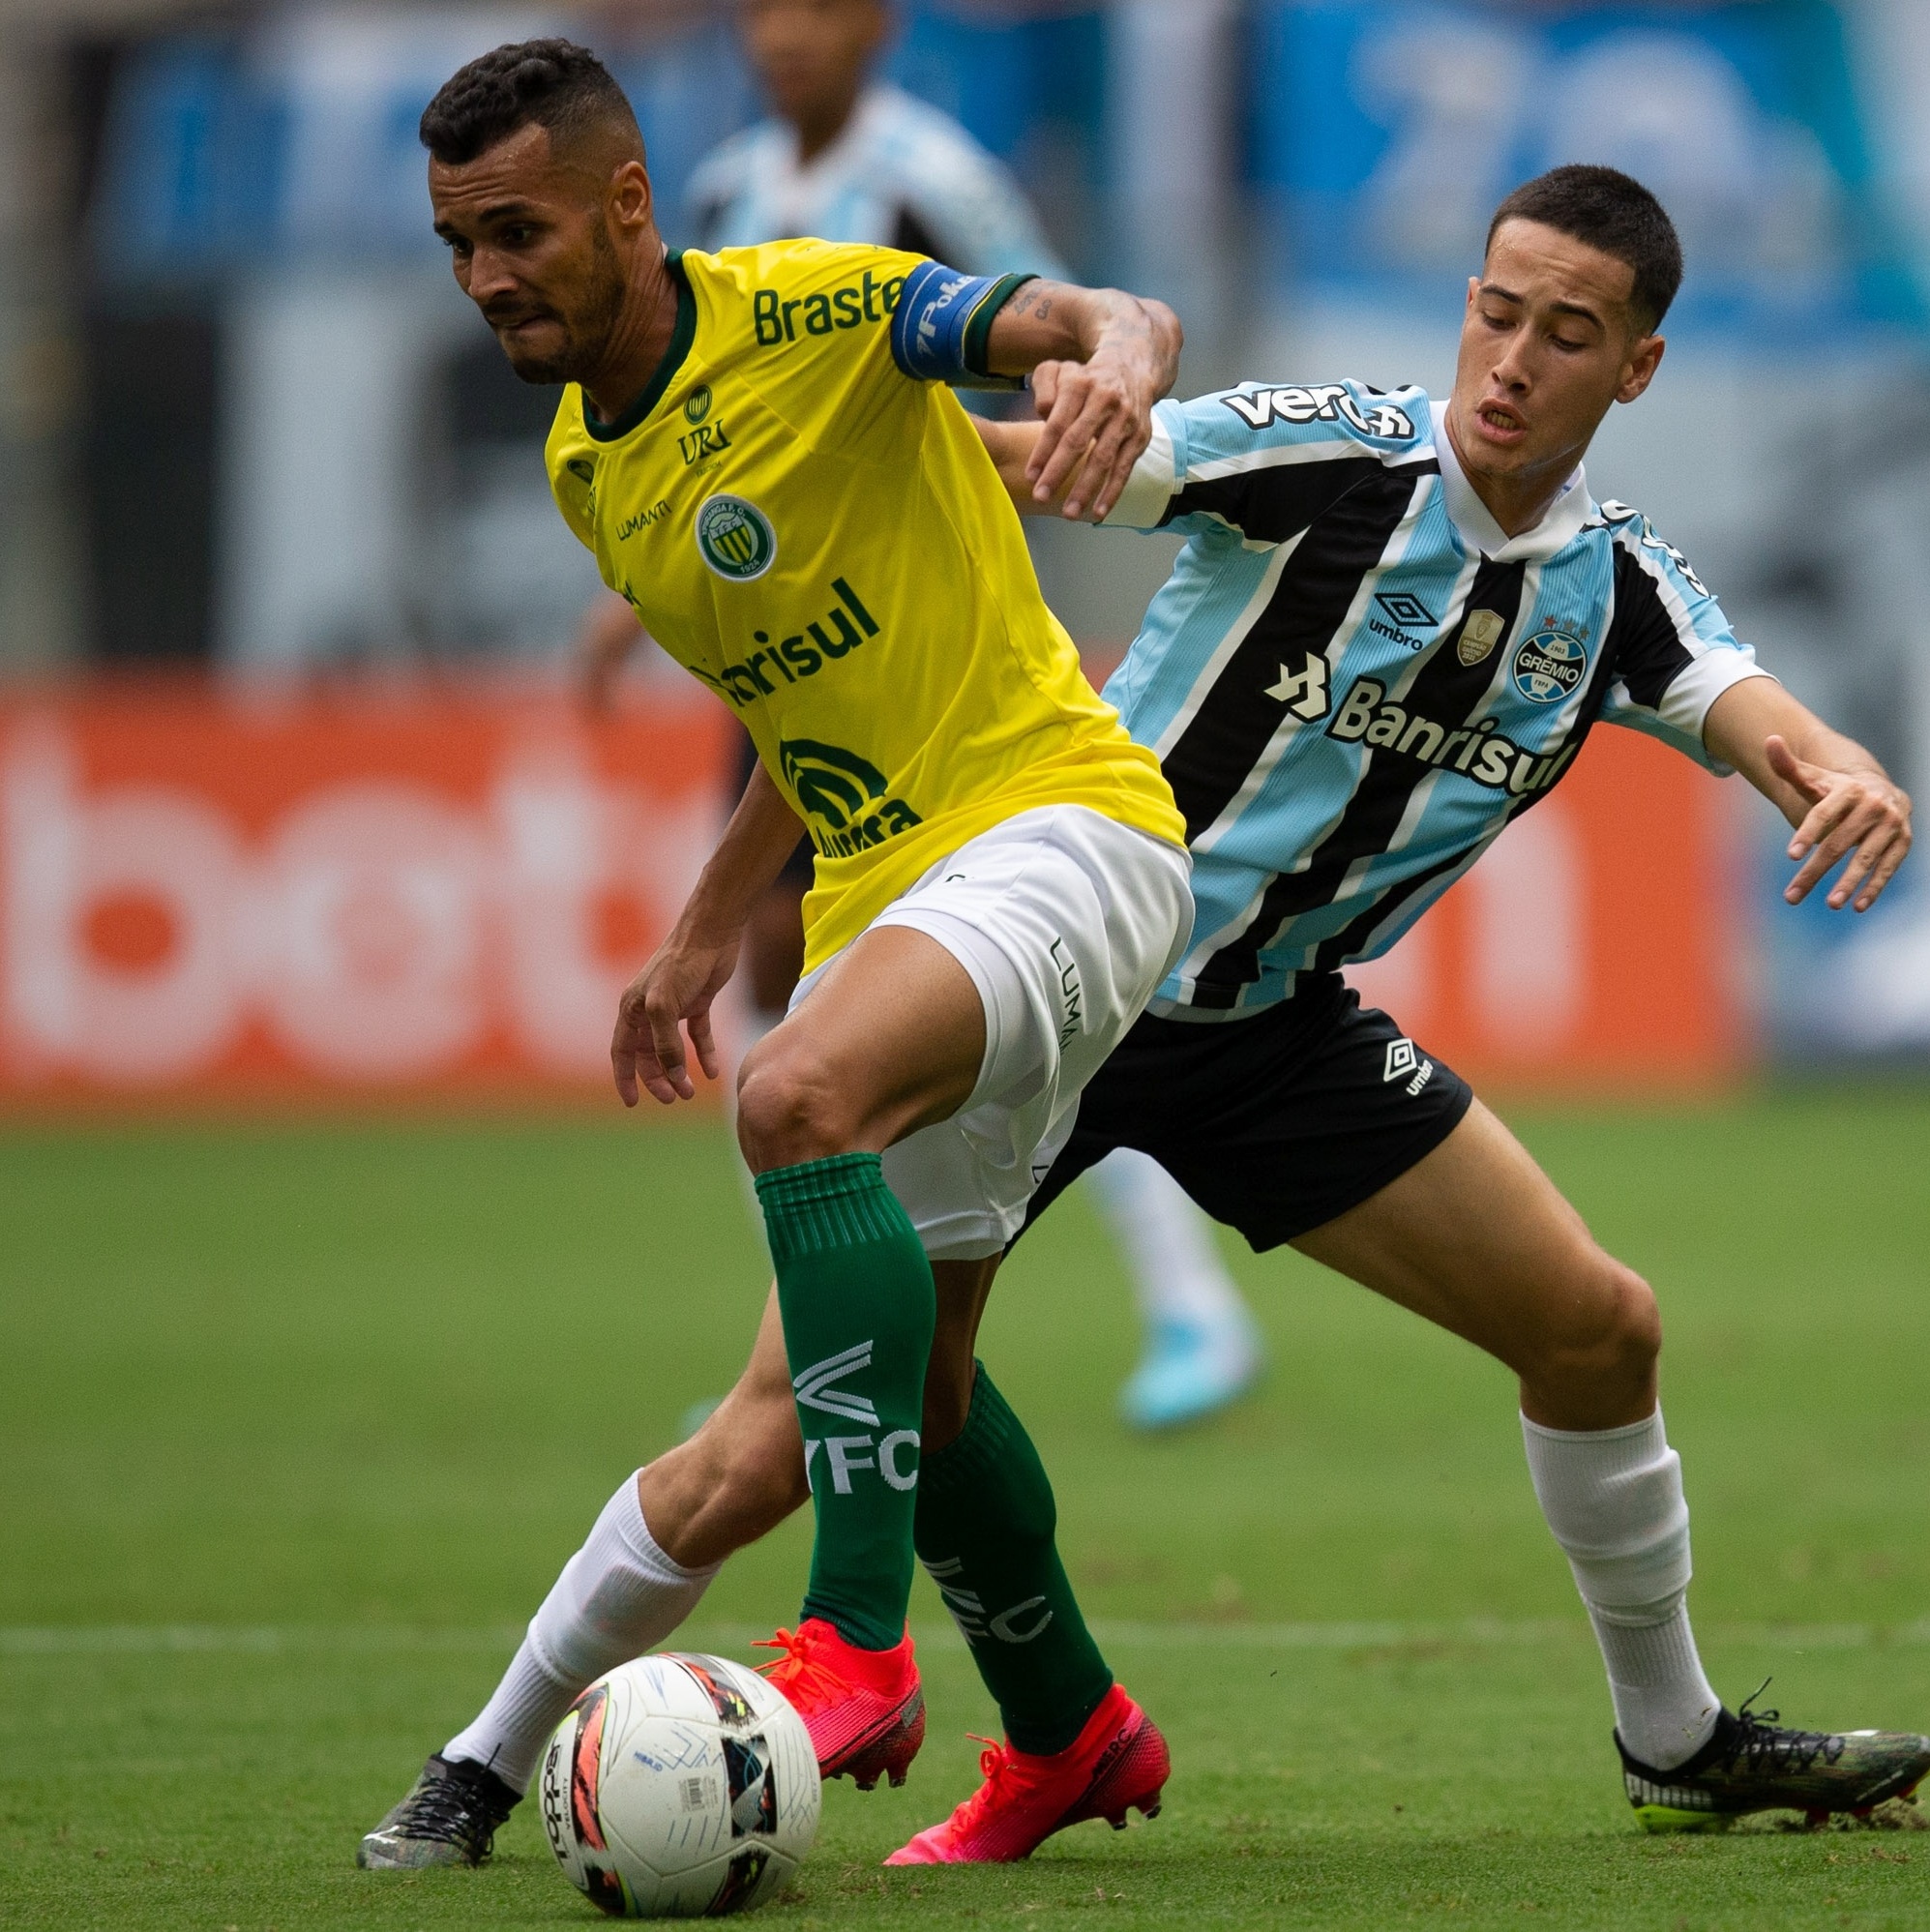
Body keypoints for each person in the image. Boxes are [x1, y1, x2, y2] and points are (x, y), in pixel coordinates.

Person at [364, 161, 1928, 1875]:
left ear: (1632, 368)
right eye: (1495, 312)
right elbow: (1029, 465)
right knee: (779, 1436)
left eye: (1567, 336)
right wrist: (824, 491)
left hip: (1271, 1026)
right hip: (1064, 969)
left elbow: (1760, 712)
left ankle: (1675, 1736)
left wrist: (1843, 776)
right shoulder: (1333, 448)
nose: (1511, 362)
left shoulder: (1618, 588)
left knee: (1599, 1328)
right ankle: (484, 1755)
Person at [361, 35, 1197, 1870]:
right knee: (926, 1381)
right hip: (891, 887)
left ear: (629, 204)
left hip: (1061, 825)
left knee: (794, 1093)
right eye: (454, 246)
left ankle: (860, 1643)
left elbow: (1095, 311)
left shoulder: (818, 309)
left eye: (515, 229)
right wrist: (694, 928)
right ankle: (1069, 1727)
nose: (488, 276)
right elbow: (789, 700)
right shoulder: (598, 468)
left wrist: (1119, 368)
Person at [582, 0, 1262, 1431]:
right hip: (785, 652)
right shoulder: (717, 194)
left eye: (814, 11)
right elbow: (691, 428)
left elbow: (1066, 333)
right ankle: (817, 1313)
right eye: (759, 12)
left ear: (878, 28)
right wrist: (626, 605)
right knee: (770, 965)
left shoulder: (929, 178)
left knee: (1009, 1007)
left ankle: (1185, 1296)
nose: (780, 39)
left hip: (931, 632)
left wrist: (1066, 412)